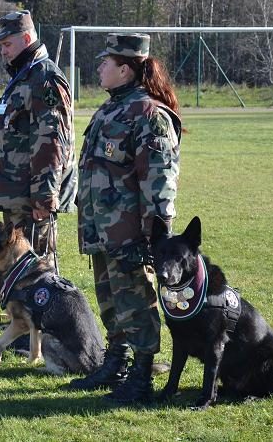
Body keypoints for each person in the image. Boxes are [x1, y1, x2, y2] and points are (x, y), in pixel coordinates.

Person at [66, 33, 182, 404]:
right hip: (101, 226)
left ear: (126, 69)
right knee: (110, 296)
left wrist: (156, 233)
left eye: (106, 63)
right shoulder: (109, 109)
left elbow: (160, 179)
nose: (99, 68)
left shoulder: (149, 114)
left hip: (130, 229)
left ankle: (142, 376)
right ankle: (116, 361)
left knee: (135, 298)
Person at [0, 10, 76, 259]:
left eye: (7, 44)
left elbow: (52, 140)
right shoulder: (24, 76)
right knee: (17, 266)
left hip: (32, 198)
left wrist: (45, 197)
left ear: (26, 39)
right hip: (16, 193)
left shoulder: (44, 78)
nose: (3, 51)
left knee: (38, 269)